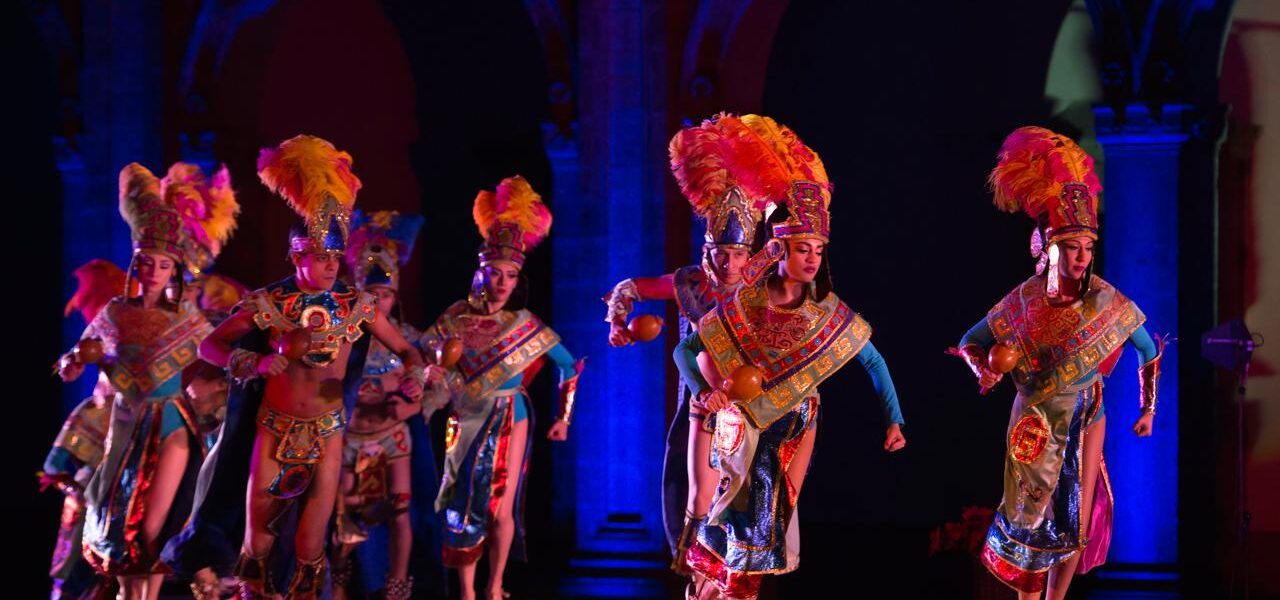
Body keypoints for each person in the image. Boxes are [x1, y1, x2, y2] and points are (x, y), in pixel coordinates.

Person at [951, 126, 1163, 600]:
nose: (1083, 258)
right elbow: (970, 341)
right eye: (1072, 248)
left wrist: (1149, 410)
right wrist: (982, 367)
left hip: (1089, 415)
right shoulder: (1023, 301)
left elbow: (1148, 349)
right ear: (1049, 248)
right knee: (1031, 516)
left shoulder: (1105, 300)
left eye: (1088, 248)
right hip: (1036, 417)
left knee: (1076, 519)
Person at [421, 175, 583, 600]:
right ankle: (468, 590)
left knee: (501, 504)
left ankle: (495, 587)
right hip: (465, 415)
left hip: (512, 413)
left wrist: (562, 419)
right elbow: (424, 356)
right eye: (495, 273)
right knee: (462, 497)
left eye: (510, 275)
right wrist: (429, 376)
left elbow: (569, 365)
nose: (503, 282)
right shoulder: (455, 318)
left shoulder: (524, 324)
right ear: (481, 273)